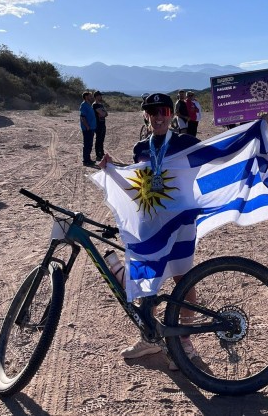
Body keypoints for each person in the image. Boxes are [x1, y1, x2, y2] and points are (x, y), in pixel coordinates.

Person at [99, 93, 200, 369]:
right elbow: (141, 186)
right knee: (147, 280)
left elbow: (222, 151)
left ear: (171, 114)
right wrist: (112, 169)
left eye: (164, 111)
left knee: (184, 280)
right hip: (151, 223)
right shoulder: (140, 148)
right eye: (152, 112)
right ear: (146, 116)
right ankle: (150, 339)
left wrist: (258, 125)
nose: (158, 117)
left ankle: (186, 343)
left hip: (180, 224)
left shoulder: (185, 143)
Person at [79, 91, 97, 166]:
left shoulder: (88, 105)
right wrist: (87, 126)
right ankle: (85, 160)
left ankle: (88, 159)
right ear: (86, 97)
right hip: (87, 129)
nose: (91, 97)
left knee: (90, 144)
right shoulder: (83, 105)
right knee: (87, 144)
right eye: (90, 96)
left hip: (91, 127)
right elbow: (82, 117)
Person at [92, 91, 108, 161]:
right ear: (96, 96)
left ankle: (101, 153)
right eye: (100, 95)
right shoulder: (95, 105)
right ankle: (98, 155)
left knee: (102, 140)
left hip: (103, 124)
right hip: (98, 124)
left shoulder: (100, 105)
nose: (101, 97)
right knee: (98, 139)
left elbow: (106, 114)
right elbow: (103, 114)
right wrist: (103, 113)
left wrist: (103, 113)